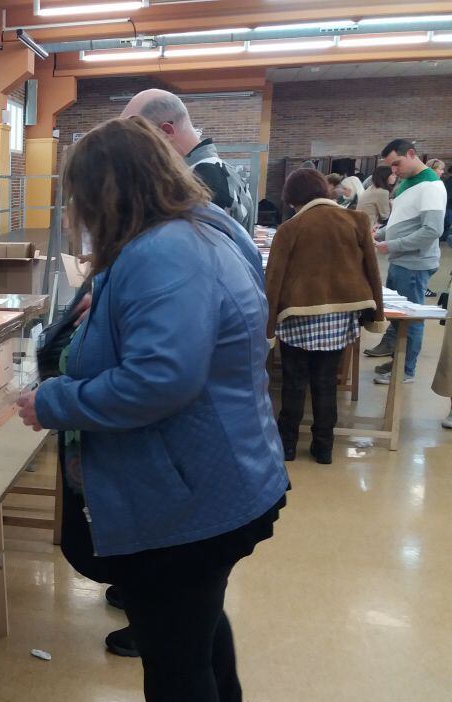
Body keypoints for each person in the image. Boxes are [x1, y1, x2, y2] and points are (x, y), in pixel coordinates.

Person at [18, 117, 288, 702]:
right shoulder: (203, 230)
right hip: (225, 478)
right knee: (197, 617)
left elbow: (160, 379)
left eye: (79, 198)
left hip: (191, 491)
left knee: (171, 648)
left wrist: (55, 400)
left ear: (106, 192)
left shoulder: (162, 252)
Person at [264, 168, 384, 464]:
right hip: (339, 319)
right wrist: (376, 313)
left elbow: (273, 280)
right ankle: (323, 448)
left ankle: (287, 445)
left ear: (293, 198)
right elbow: (372, 270)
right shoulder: (356, 221)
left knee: (293, 383)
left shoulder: (290, 228)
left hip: (297, 316)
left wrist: (267, 327)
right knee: (326, 382)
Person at [363, 139, 448, 384]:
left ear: (411, 154)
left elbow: (432, 230)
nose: (394, 171)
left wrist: (392, 245)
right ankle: (399, 359)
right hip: (402, 260)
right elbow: (401, 221)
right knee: (400, 316)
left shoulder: (431, 186)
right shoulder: (410, 183)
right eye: (391, 167)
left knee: (410, 318)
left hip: (414, 263)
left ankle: (406, 371)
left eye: (397, 164)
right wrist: (378, 235)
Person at [120, 89, 252, 230]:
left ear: (165, 132)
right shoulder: (214, 172)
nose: (136, 152)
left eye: (139, 140)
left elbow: (195, 250)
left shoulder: (202, 182)